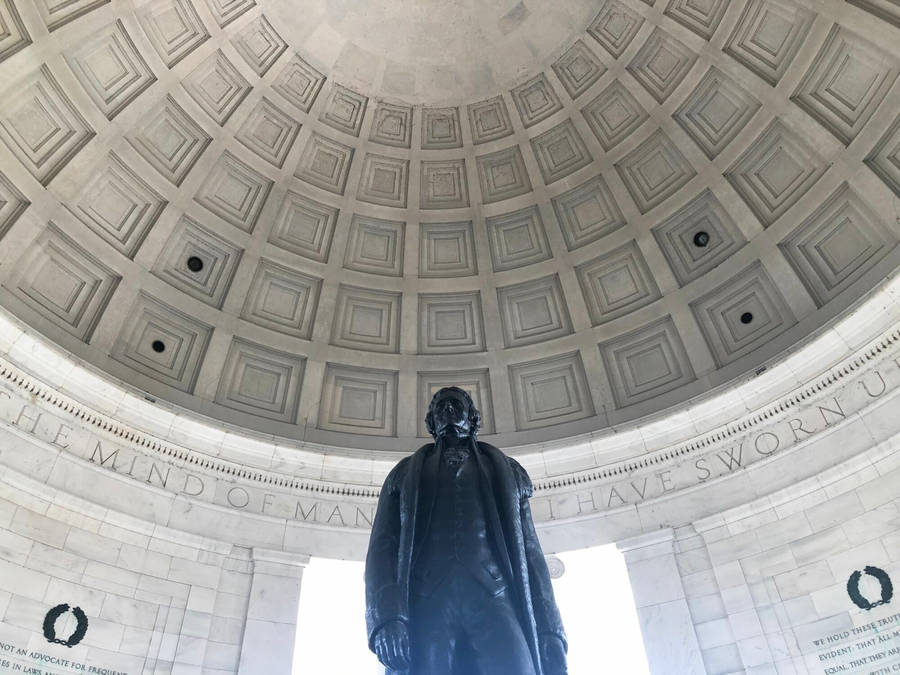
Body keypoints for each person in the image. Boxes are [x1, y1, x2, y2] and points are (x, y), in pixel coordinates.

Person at [365, 386, 567, 674]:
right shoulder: (404, 474)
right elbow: (381, 550)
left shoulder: (509, 472)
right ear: (430, 422)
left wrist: (549, 630)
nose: (448, 410)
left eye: (456, 405)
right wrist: (387, 617)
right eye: (440, 407)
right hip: (427, 601)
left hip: (495, 595)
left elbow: (531, 552)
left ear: (473, 418)